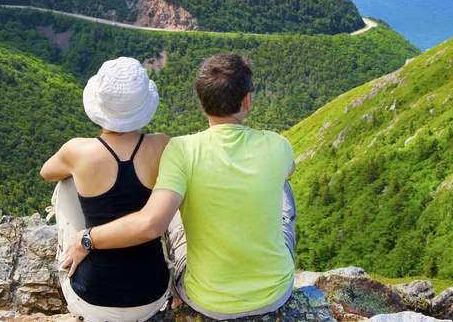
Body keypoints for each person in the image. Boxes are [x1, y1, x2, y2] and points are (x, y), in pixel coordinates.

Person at [62, 54, 297, 320]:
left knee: (172, 208)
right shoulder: (279, 145)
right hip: (275, 292)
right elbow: (288, 170)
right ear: (246, 100)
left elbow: (152, 224)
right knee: (284, 196)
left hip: (206, 299)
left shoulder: (181, 150)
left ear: (202, 102)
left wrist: (86, 239)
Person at [41, 57, 172, 322]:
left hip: (92, 299)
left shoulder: (78, 150)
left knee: (65, 182)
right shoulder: (162, 144)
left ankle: (73, 249)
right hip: (152, 294)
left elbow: (46, 172)